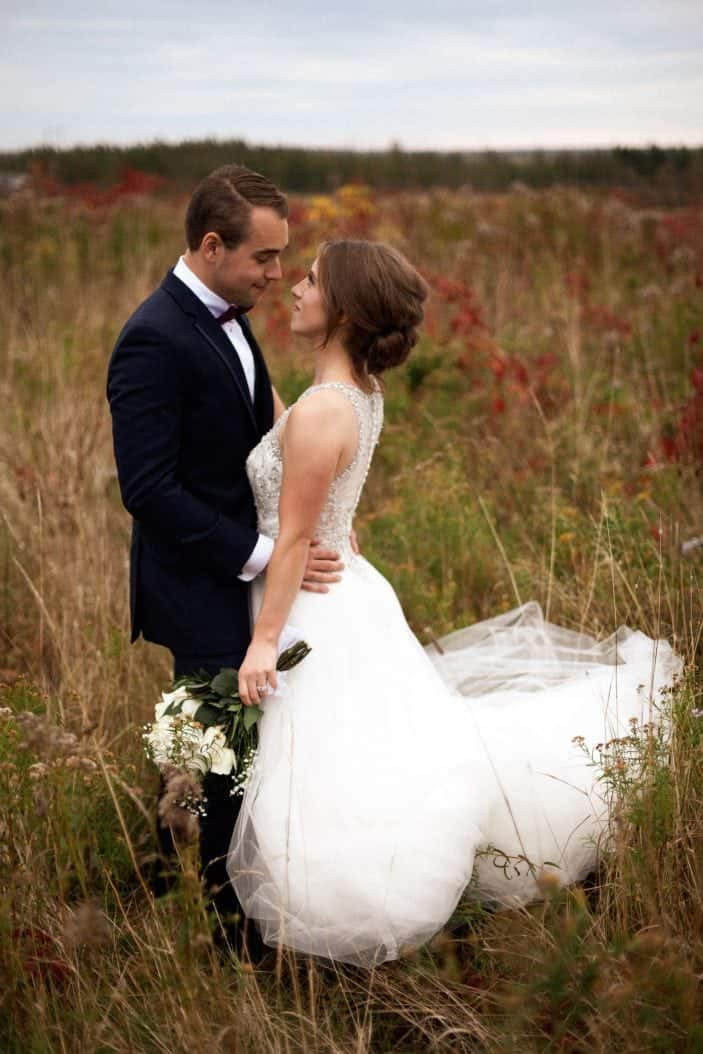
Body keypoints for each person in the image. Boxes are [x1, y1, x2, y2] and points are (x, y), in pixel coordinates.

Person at [225, 238, 682, 968]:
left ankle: (347, 898)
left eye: (309, 281)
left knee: (329, 760)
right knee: (362, 750)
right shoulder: (352, 398)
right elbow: (299, 457)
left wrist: (262, 642)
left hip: (310, 601)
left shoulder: (322, 413)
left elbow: (293, 539)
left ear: (342, 307)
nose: (295, 290)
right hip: (347, 586)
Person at [106, 165, 345, 957]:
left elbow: (261, 432)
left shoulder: (232, 317)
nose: (278, 275)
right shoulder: (152, 336)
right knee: (221, 769)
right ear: (212, 246)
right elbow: (148, 489)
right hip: (197, 582)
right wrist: (263, 554)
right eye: (264, 258)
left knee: (220, 751)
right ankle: (230, 939)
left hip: (244, 578)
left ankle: (166, 866)